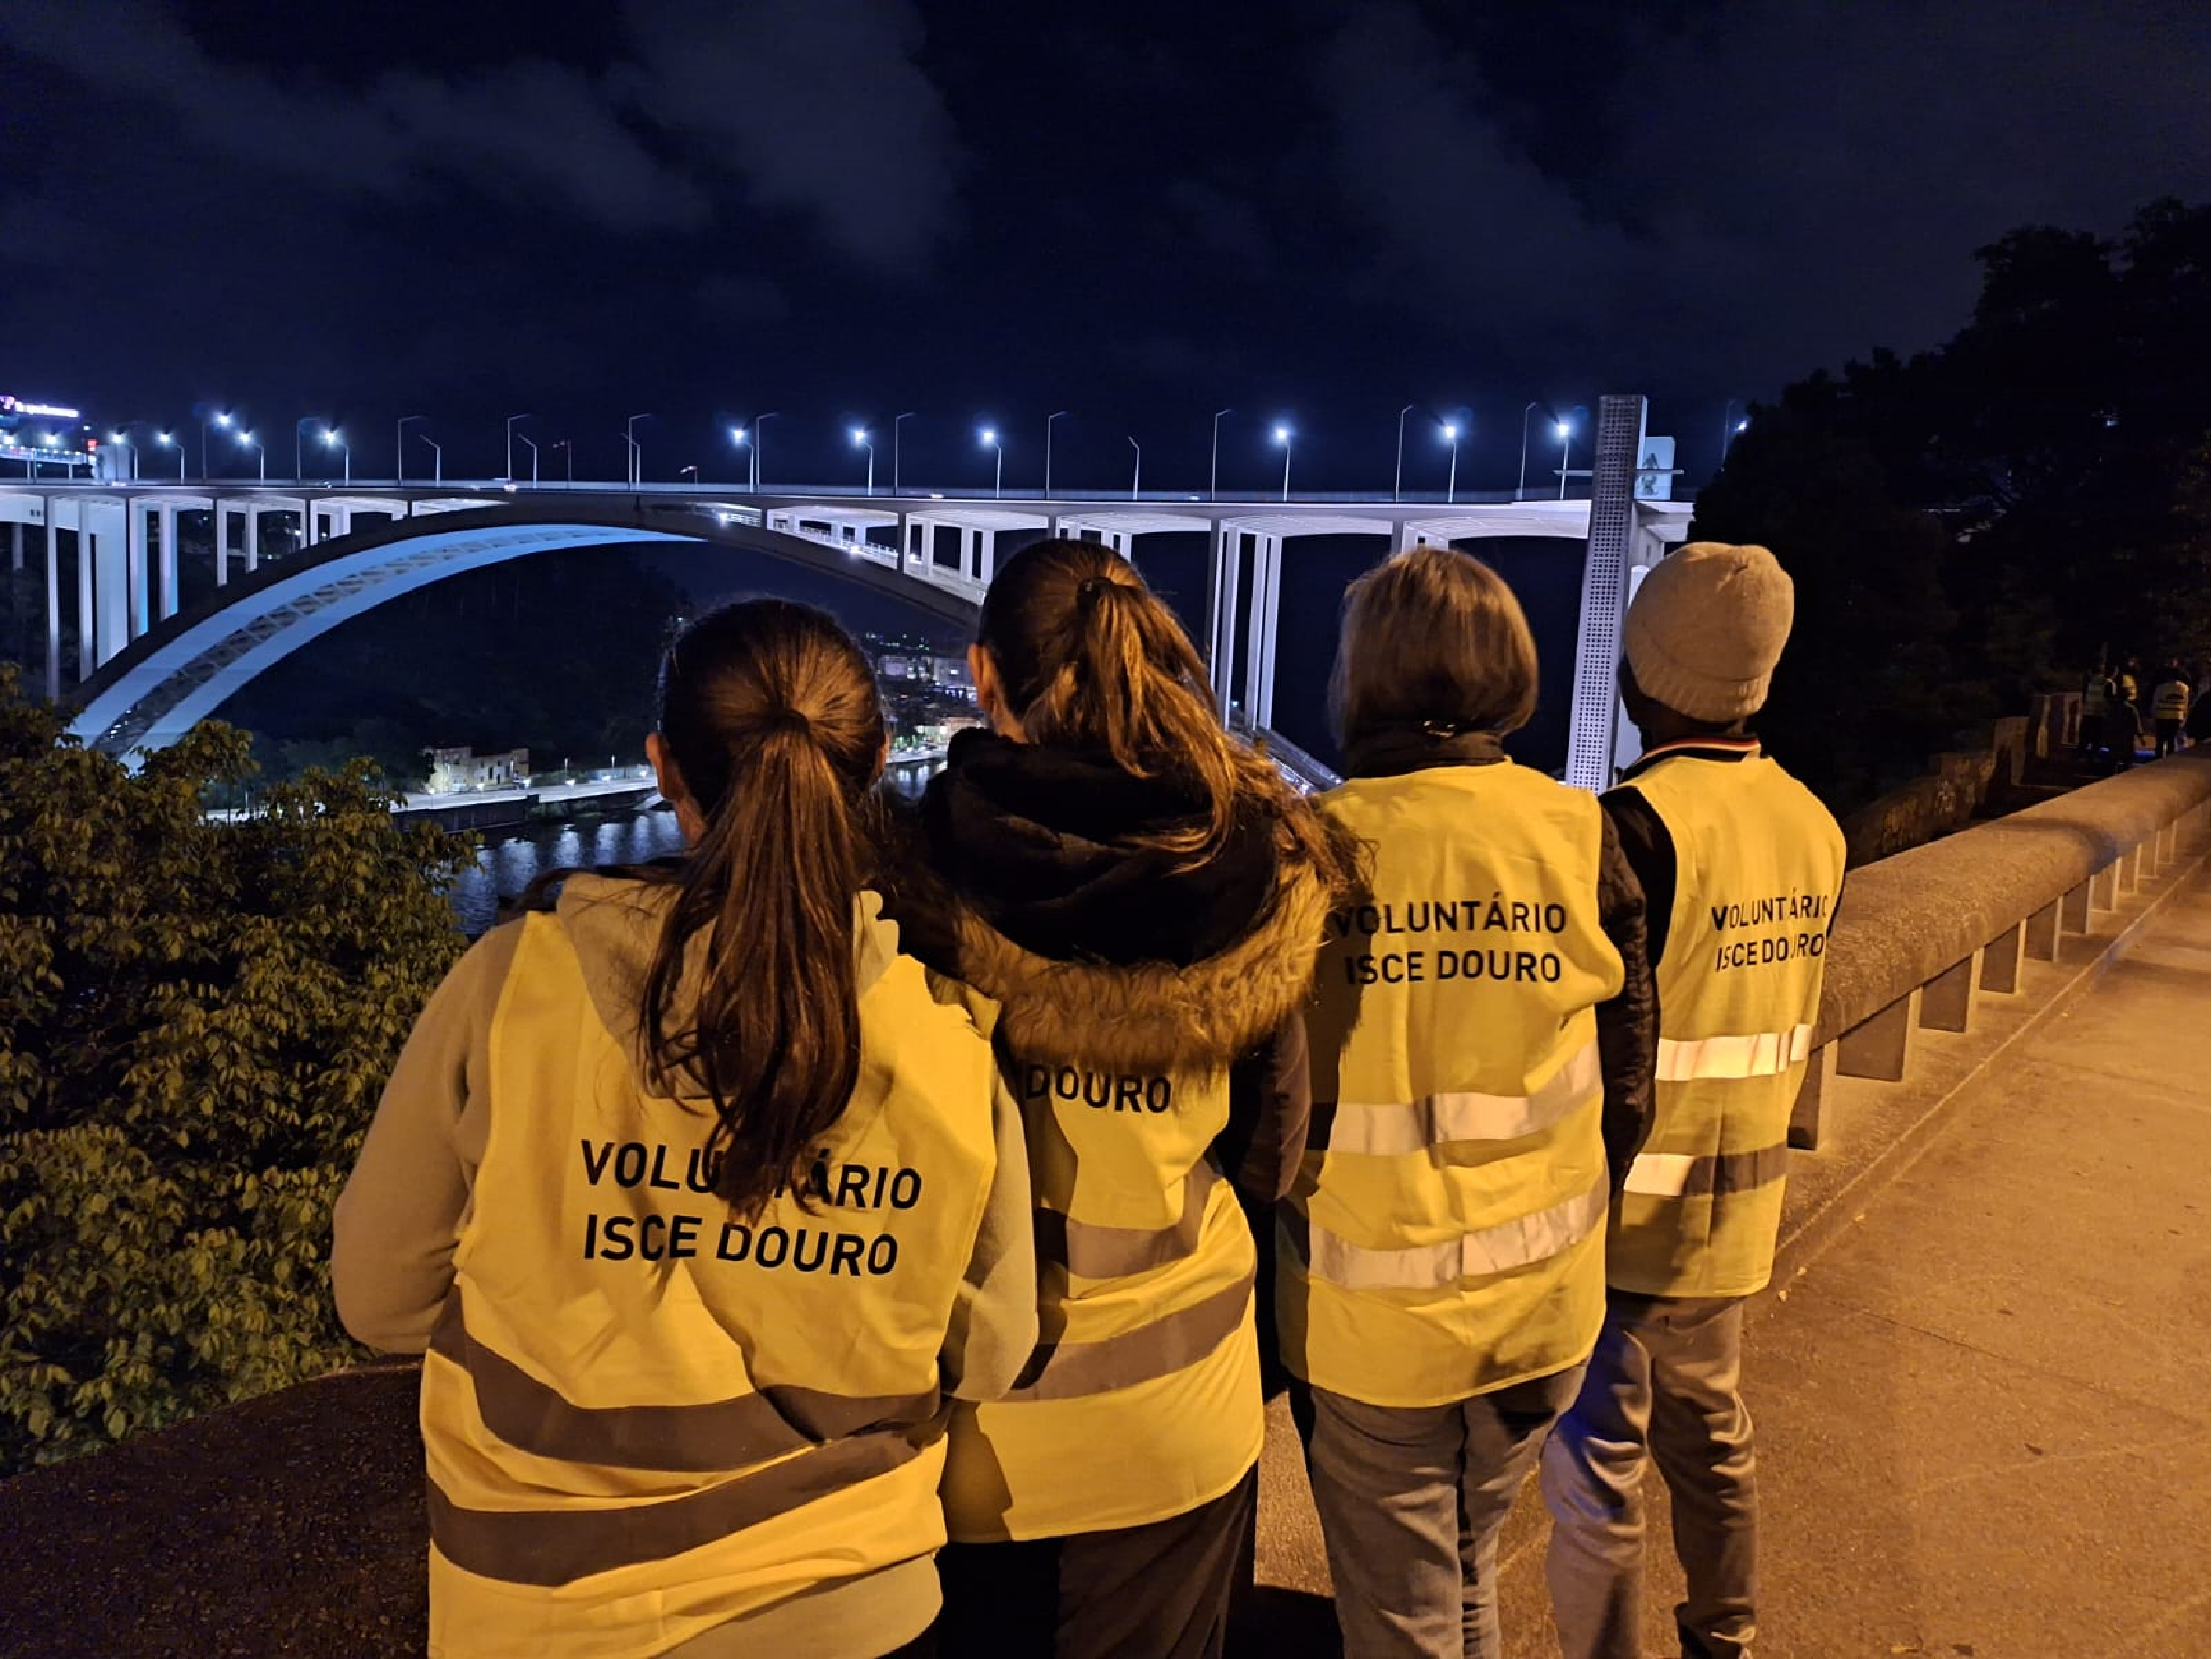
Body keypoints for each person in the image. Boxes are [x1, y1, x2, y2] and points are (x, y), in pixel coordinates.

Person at [332, 599, 1037, 1659]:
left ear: (665, 767)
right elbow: (990, 1351)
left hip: (543, 1608)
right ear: (879, 762)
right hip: (859, 1604)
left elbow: (382, 1301)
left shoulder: (513, 984)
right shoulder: (945, 1029)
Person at [876, 538, 1352, 1659]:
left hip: (956, 1437)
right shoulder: (1250, 868)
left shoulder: (911, 869)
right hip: (1177, 1416)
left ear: (981, 673)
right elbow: (1269, 1149)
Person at [1277, 545, 1657, 1659]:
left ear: (1361, 678)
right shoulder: (1581, 836)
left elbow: (1266, 1107)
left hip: (1368, 1327)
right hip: (1539, 1311)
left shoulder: (1306, 847)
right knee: (1469, 1567)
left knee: (1398, 1615)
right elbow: (1623, 1090)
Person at [1541, 543, 1846, 1659]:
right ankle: (1726, 1638)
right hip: (1737, 1211)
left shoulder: (1623, 831)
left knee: (1595, 1479)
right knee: (1715, 1443)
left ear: (1638, 672)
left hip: (1622, 1220)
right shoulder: (1815, 825)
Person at [2150, 663, 2191, 757]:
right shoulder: (2185, 688)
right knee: (2171, 740)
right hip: (2177, 717)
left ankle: (2158, 758)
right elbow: (2186, 703)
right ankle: (2169, 758)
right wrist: (2185, 717)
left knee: (2160, 741)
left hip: (2162, 716)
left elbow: (2155, 703)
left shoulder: (2161, 687)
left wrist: (2153, 716)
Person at [2077, 662, 2113, 764]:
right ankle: (2093, 758)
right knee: (2097, 739)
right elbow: (2111, 700)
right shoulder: (2108, 683)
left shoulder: (2089, 683)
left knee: (2084, 738)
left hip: (2088, 713)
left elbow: (2084, 697)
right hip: (2100, 714)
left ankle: (2080, 757)